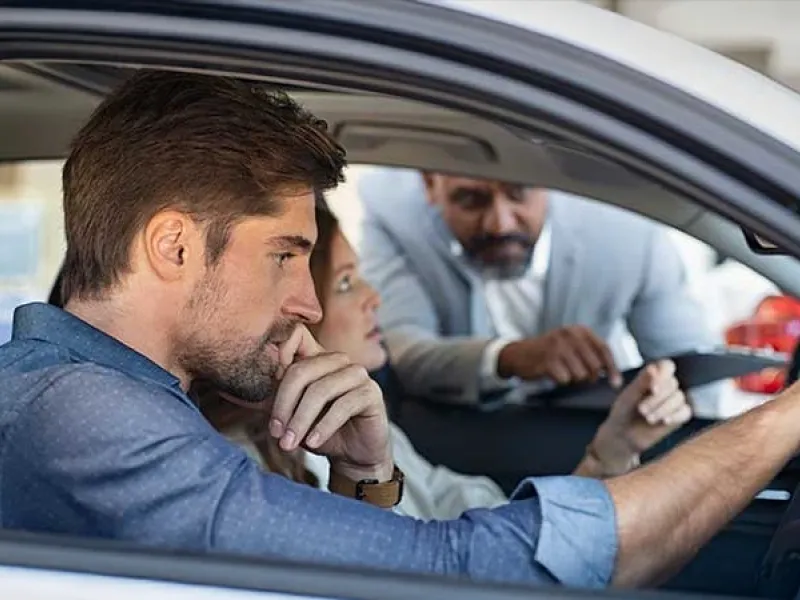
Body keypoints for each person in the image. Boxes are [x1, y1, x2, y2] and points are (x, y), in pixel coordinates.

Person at [1, 70, 800, 591]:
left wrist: (364, 470)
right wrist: (783, 420)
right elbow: (475, 576)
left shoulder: (121, 397)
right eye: (286, 256)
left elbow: (363, 580)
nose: (308, 303)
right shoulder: (85, 414)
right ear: (173, 246)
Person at [192, 201, 692, 520]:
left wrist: (611, 453)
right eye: (345, 283)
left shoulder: (369, 431)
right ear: (293, 310)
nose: (374, 298)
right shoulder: (236, 473)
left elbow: (490, 529)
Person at [357, 169, 722, 413]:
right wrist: (512, 357)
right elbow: (406, 353)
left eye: (518, 194)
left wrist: (667, 404)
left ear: (548, 180)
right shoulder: (392, 214)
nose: (500, 223)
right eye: (471, 200)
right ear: (429, 186)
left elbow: (691, 371)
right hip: (455, 438)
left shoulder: (627, 231)